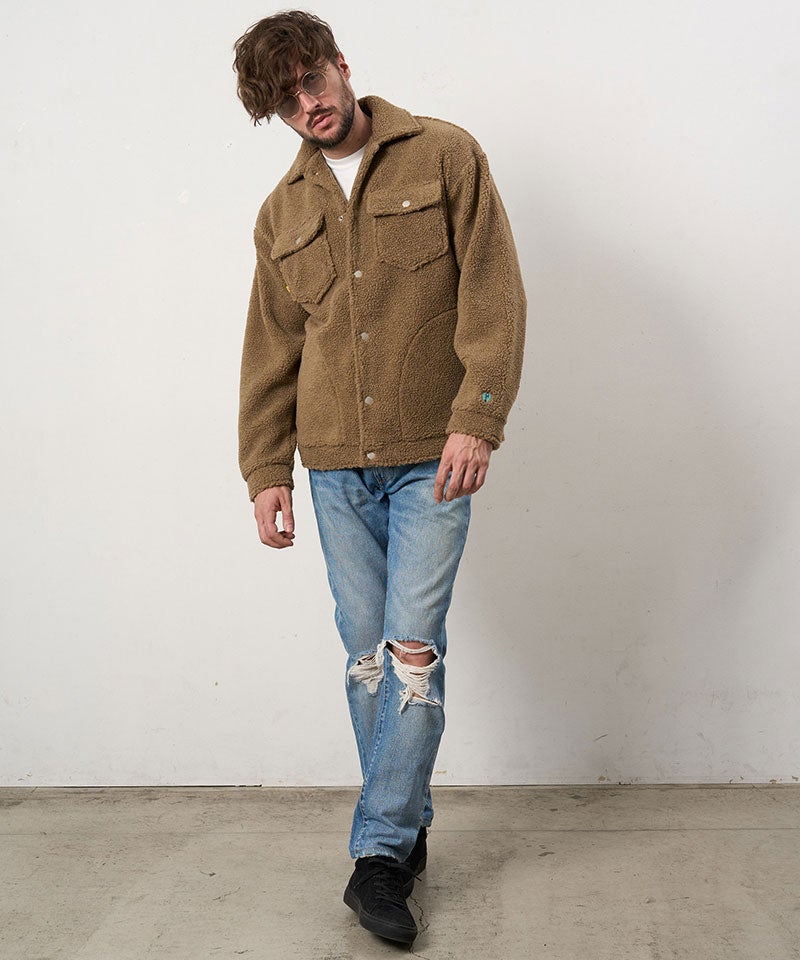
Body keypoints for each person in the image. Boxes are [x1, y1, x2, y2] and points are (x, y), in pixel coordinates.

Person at [231, 10, 526, 945]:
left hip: (430, 459)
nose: (307, 106)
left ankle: (379, 858)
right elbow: (271, 350)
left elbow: (493, 296)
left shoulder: (445, 155)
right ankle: (405, 825)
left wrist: (478, 415)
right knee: (366, 660)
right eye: (285, 102)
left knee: (411, 653)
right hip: (331, 469)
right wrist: (265, 469)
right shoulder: (282, 212)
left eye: (311, 81)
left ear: (340, 64)